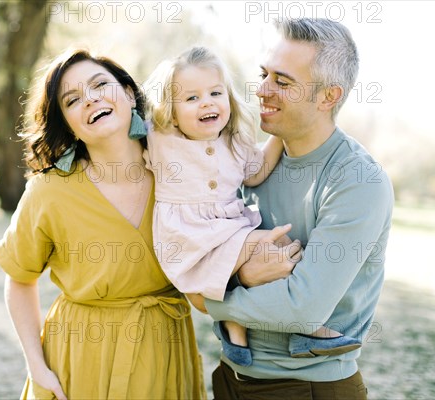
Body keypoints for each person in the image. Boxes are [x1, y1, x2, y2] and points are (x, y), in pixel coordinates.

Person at [0, 49, 206, 400]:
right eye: (72, 100)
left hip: (165, 351)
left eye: (100, 85)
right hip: (79, 359)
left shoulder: (180, 169)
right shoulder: (49, 191)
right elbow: (19, 279)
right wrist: (36, 365)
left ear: (126, 93)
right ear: (67, 123)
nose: (91, 100)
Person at [204, 18, 394, 399]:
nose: (262, 90)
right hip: (230, 379)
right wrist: (240, 275)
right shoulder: (248, 166)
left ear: (328, 96)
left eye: (283, 82)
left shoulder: (357, 180)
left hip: (308, 387)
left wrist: (207, 295)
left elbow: (303, 310)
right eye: (264, 74)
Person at [143, 46, 361, 367]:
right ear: (171, 112)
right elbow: (114, 130)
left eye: (215, 92)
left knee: (277, 251)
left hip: (227, 229)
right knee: (274, 244)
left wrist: (280, 134)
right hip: (186, 236)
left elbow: (256, 173)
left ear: (228, 98)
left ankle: (237, 333)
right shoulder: (161, 139)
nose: (206, 102)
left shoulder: (234, 143)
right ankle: (303, 328)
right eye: (191, 98)